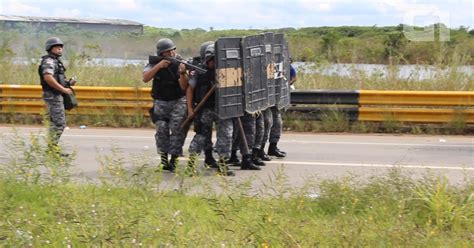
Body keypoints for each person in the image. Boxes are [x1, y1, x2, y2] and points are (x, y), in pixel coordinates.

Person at [186, 43, 235, 176]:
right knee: (201, 137)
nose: (214, 62)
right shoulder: (199, 72)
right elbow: (190, 89)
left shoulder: (227, 71)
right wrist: (190, 108)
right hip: (204, 109)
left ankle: (223, 165)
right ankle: (191, 165)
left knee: (226, 136)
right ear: (207, 59)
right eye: (212, 59)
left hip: (223, 109)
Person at [143, 38, 188, 172]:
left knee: (177, 129)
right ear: (162, 54)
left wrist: (182, 73)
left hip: (178, 101)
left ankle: (174, 160)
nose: (172, 53)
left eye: (173, 50)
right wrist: (159, 66)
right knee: (161, 129)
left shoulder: (181, 63)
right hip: (161, 101)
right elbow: (145, 78)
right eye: (168, 51)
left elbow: (184, 87)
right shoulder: (154, 63)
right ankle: (164, 160)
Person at [38, 37, 76, 151]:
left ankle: (52, 148)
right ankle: (52, 149)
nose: (60, 49)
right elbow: (48, 78)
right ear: (50, 48)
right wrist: (63, 90)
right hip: (53, 96)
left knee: (55, 124)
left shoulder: (55, 62)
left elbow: (57, 79)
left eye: (61, 47)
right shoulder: (49, 61)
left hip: (56, 95)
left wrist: (69, 83)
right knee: (59, 124)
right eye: (57, 47)